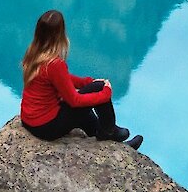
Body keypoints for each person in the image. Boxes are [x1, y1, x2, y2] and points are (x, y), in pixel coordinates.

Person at [19, 9, 142, 149]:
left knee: (86, 113)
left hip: (30, 120)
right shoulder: (54, 64)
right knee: (98, 88)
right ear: (60, 33)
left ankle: (112, 141)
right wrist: (104, 94)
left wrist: (86, 82)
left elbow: (60, 79)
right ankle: (109, 130)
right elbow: (74, 100)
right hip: (47, 127)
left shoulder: (34, 52)